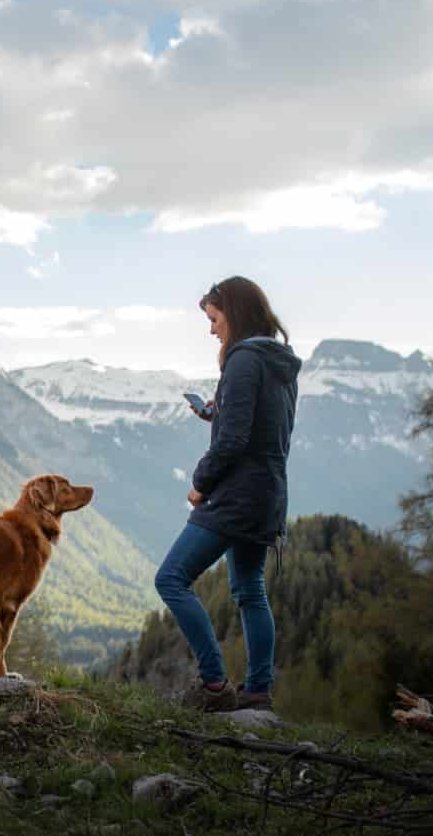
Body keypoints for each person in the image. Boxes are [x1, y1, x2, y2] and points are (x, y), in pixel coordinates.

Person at [155, 276, 300, 712]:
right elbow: (257, 423)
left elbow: (233, 441)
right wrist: (212, 412)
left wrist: (201, 483)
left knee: (171, 579)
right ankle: (257, 692)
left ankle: (215, 684)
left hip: (236, 495)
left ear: (232, 313)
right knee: (250, 590)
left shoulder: (241, 361)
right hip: (268, 495)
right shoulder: (278, 363)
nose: (211, 329)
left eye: (214, 319)